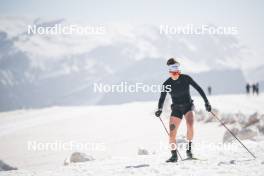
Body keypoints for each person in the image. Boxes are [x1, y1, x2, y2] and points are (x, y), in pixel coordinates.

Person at [155, 58, 211, 162]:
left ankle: (189, 150)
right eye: (173, 73)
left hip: (188, 106)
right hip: (176, 109)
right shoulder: (166, 84)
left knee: (190, 125)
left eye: (176, 72)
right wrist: (159, 109)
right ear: (170, 72)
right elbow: (162, 98)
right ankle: (174, 155)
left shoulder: (186, 78)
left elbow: (199, 89)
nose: (175, 74)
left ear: (179, 71)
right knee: (172, 133)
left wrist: (206, 102)